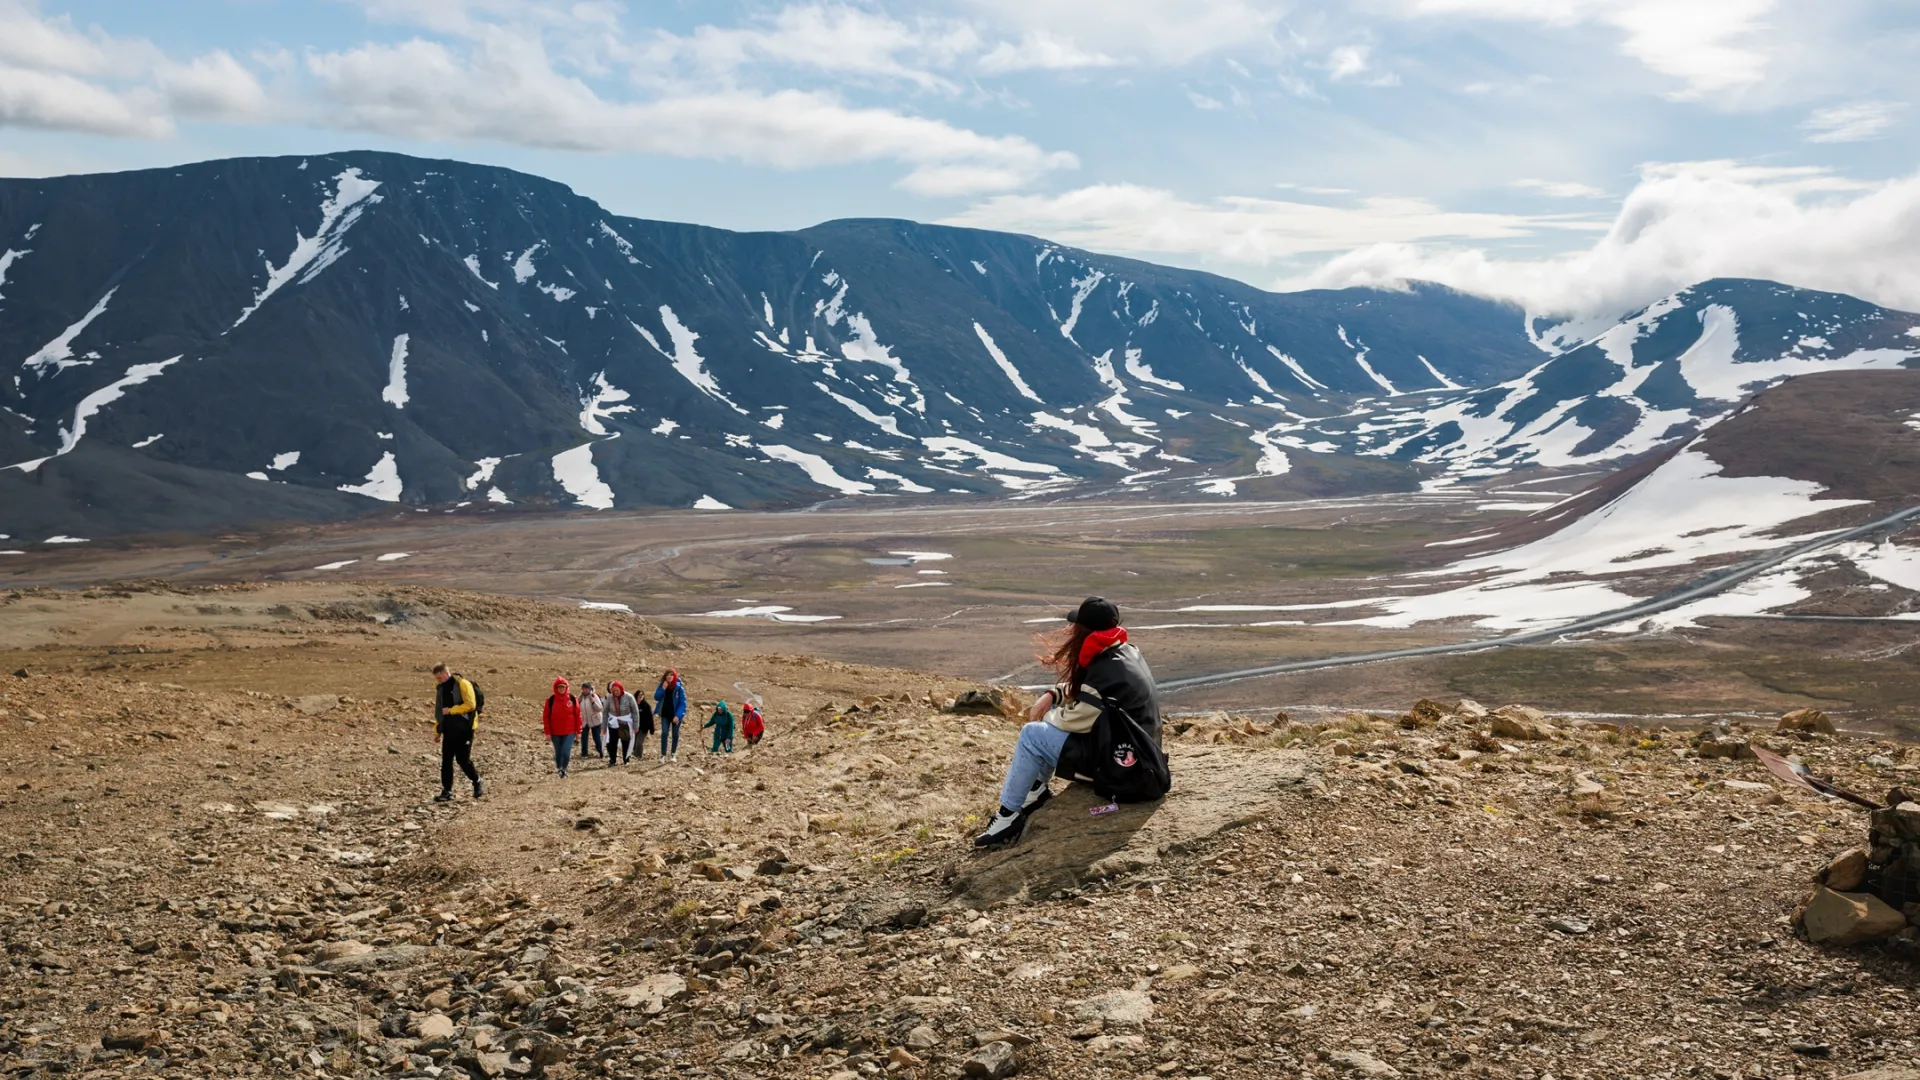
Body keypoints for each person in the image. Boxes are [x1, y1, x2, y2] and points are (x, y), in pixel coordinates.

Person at [974, 597, 1161, 848]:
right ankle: (1036, 791)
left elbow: (1073, 721)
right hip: (1139, 757)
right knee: (1042, 733)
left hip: (1122, 770)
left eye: (1075, 626)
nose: (1071, 631)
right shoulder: (1125, 652)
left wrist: (1047, 714)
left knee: (1033, 735)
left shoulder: (1105, 672)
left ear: (1084, 631)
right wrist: (1054, 695)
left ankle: (1008, 815)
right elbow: (1090, 693)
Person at [431, 663, 484, 802]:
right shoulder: (441, 688)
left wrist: (452, 710)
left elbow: (470, 705)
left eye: (440, 677)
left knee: (463, 760)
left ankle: (477, 781)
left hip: (465, 729)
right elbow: (440, 712)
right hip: (449, 730)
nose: (439, 680)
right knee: (446, 760)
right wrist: (437, 731)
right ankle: (447, 791)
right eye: (437, 678)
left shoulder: (462, 684)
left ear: (446, 673)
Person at [543, 677, 582, 778]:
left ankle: (563, 768)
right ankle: (560, 768)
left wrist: (578, 731)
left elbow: (578, 716)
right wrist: (547, 732)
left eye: (563, 687)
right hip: (555, 732)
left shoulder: (573, 699)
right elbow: (546, 717)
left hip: (569, 731)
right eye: (559, 687)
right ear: (556, 688)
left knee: (566, 751)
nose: (561, 689)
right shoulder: (550, 700)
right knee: (558, 752)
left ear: (566, 688)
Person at [654, 669, 688, 762]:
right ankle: (663, 755)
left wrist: (678, 715)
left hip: (675, 715)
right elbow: (656, 697)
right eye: (668, 675)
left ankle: (673, 754)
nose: (669, 677)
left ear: (674, 676)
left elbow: (683, 703)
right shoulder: (662, 685)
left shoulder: (679, 688)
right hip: (665, 714)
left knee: (675, 734)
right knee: (664, 733)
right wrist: (662, 689)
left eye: (671, 675)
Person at [606, 680, 638, 765]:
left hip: (625, 721)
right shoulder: (609, 698)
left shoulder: (629, 697)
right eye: (614, 690)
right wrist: (603, 726)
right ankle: (612, 760)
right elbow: (605, 711)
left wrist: (636, 725)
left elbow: (635, 711)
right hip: (613, 722)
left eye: (617, 690)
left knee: (625, 741)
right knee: (612, 742)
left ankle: (626, 759)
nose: (616, 692)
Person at [579, 681, 606, 758]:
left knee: (596, 737)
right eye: (583, 688)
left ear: (589, 689)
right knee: (584, 737)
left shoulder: (594, 696)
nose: (585, 690)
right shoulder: (580, 697)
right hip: (584, 720)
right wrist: (578, 702)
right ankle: (584, 753)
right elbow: (577, 708)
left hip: (595, 720)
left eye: (586, 688)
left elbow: (600, 708)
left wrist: (593, 703)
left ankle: (600, 751)